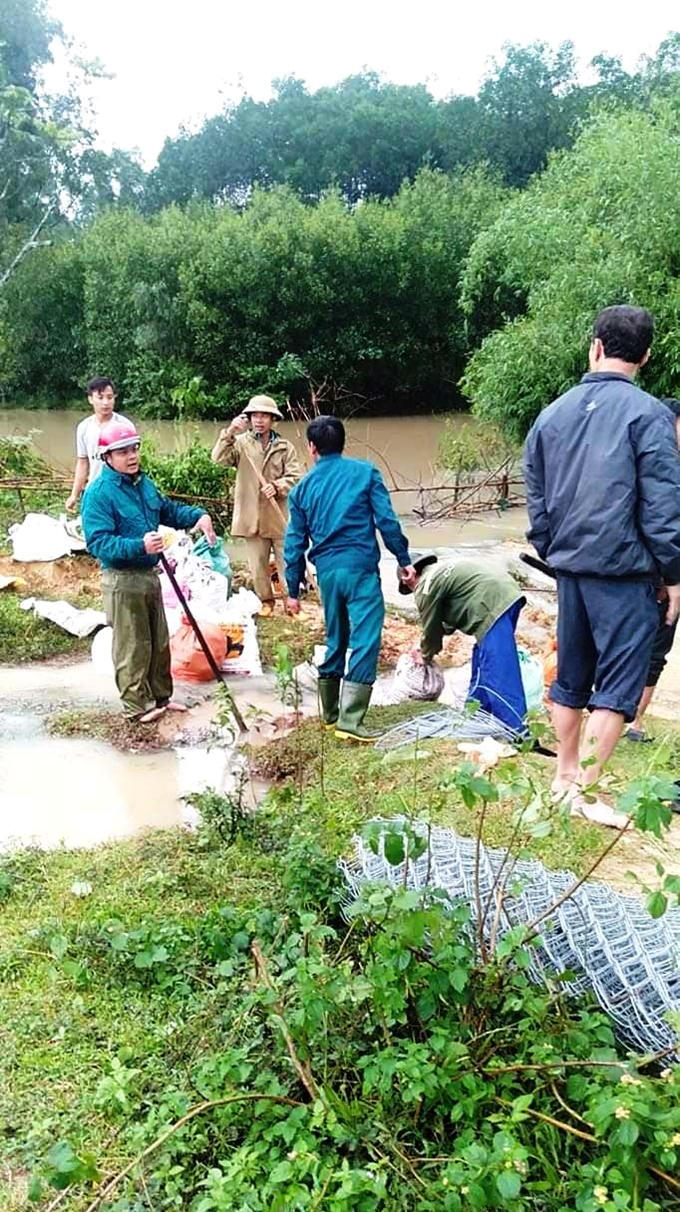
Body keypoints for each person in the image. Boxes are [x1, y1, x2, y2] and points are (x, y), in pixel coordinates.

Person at [524, 305, 680, 828]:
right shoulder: (651, 415)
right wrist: (674, 574)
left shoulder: (553, 413)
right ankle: (585, 794)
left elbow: (536, 490)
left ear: (595, 346)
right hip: (627, 573)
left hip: (571, 568)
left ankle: (564, 776)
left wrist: (551, 546)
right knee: (617, 685)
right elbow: (662, 505)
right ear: (646, 355)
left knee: (570, 674)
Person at [284, 416, 416, 741]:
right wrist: (403, 560)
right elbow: (386, 521)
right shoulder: (366, 472)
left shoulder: (301, 490)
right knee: (366, 637)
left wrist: (292, 590)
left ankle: (330, 714)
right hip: (359, 568)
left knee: (336, 637)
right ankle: (351, 720)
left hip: (327, 573)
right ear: (343, 443)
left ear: (311, 448)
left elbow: (294, 543)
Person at [82, 419, 216, 723]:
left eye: (134, 449)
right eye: (122, 452)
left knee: (159, 641)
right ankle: (136, 707)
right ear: (107, 457)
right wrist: (139, 545)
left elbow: (167, 510)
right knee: (133, 646)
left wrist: (198, 516)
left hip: (150, 574)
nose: (131, 456)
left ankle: (161, 698)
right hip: (121, 579)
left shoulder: (143, 484)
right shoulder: (99, 493)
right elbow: (98, 543)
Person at [401, 552, 528, 734]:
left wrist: (425, 655)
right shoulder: (441, 571)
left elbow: (430, 629)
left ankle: (516, 731)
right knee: (483, 662)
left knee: (498, 669)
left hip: (491, 603)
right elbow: (447, 622)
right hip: (507, 594)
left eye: (409, 588)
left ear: (409, 577)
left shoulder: (425, 585)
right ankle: (475, 715)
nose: (412, 592)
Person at [211, 396, 301, 616]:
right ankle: (266, 601)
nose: (259, 420)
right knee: (258, 564)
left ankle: (291, 600)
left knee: (287, 560)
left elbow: (297, 476)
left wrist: (278, 486)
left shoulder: (284, 447)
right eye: (255, 416)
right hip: (251, 514)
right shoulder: (240, 443)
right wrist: (229, 432)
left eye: (264, 416)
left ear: (273, 419)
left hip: (277, 514)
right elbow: (217, 459)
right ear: (249, 419)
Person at [626, 398, 680, 742]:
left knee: (654, 651)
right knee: (646, 648)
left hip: (658, 575)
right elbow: (657, 526)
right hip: (653, 577)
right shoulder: (658, 470)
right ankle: (626, 719)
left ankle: (633, 719)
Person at [65, 377, 133, 512]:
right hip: (94, 491)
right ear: (90, 399)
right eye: (100, 398)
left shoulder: (125, 426)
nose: (106, 403)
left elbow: (133, 462)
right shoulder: (84, 428)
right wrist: (74, 495)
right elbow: (83, 463)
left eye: (110, 397)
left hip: (120, 492)